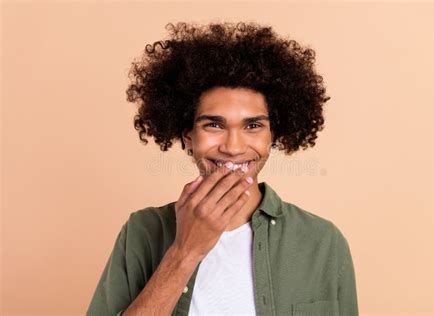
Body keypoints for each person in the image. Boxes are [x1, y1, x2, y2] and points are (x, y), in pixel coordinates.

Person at [87, 21, 358, 316]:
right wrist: (185, 253)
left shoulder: (323, 242)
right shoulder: (143, 232)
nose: (233, 146)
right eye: (214, 124)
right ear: (187, 136)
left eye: (253, 125)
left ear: (273, 137)